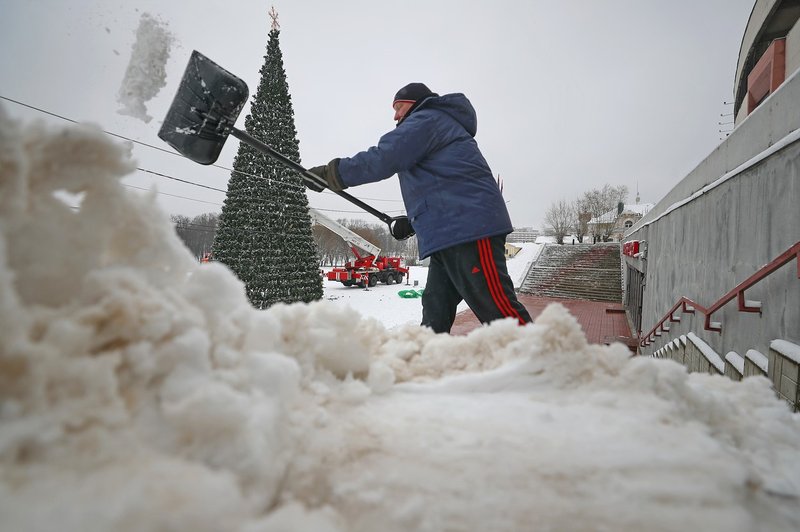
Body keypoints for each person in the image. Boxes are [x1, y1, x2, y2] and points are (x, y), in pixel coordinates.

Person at [306, 82, 531, 333]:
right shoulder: (434, 126)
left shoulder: (427, 119)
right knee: (434, 311)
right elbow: (444, 189)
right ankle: (429, 360)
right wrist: (413, 221)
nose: (395, 115)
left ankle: (547, 361)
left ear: (413, 104)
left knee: (497, 308)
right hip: (450, 233)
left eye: (399, 107)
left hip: (469, 229)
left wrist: (331, 174)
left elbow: (384, 158)